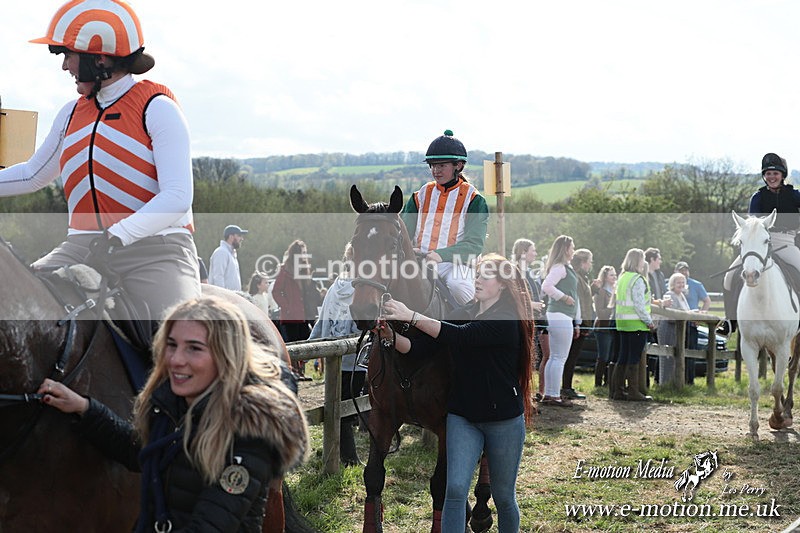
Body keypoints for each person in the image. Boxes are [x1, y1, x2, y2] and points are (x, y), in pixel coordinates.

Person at [0, 0, 200, 322]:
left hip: (155, 252)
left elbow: (177, 198)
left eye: (68, 55)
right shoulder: (69, 114)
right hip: (81, 248)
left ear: (100, 58)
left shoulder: (158, 107)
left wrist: (117, 235)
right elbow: (33, 175)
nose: (65, 66)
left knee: (179, 335)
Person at [37, 296, 310, 532]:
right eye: (171, 344)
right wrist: (85, 408)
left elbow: (209, 528)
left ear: (226, 355)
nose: (176, 359)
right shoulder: (176, 407)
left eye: (194, 348)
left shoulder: (249, 432)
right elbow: (143, 453)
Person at [379, 253, 533, 533]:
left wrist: (410, 316)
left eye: (485, 275)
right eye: (477, 274)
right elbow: (423, 347)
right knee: (455, 489)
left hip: (504, 421)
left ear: (501, 284)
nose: (477, 279)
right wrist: (393, 338)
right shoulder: (466, 310)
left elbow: (461, 337)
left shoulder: (506, 318)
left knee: (503, 497)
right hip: (463, 417)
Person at [401, 130, 489, 306]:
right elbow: (402, 232)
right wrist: (410, 250)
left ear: (458, 166)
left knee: (459, 286)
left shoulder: (474, 199)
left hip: (455, 266)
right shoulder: (420, 195)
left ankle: (475, 326)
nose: (436, 170)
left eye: (441, 165)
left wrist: (441, 255)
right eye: (432, 165)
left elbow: (474, 245)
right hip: (419, 263)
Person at [722, 152, 800, 333]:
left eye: (775, 173)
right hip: (759, 245)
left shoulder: (794, 195)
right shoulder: (758, 197)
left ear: (782, 175)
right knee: (729, 277)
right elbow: (751, 226)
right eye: (768, 174)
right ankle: (729, 322)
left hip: (786, 242)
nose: (771, 177)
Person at [308, 243, 366, 466]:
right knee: (345, 408)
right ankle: (347, 458)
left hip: (334, 356)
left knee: (338, 405)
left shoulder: (335, 287)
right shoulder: (364, 288)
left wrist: (312, 345)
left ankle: (335, 452)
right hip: (356, 358)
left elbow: (323, 316)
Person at [540, 235, 581, 407]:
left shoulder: (565, 267)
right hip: (560, 315)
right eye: (572, 247)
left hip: (561, 316)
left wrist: (577, 321)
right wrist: (563, 297)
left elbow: (576, 297)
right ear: (565, 249)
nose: (573, 250)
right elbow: (546, 286)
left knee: (554, 357)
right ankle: (554, 395)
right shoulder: (559, 267)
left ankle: (550, 393)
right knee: (558, 357)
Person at [273, 239, 321, 380]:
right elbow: (276, 291)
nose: (304, 255)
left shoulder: (305, 268)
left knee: (304, 341)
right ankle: (293, 373)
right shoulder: (286, 269)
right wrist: (286, 307)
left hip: (304, 314)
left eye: (305, 252)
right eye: (302, 252)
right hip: (290, 316)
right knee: (293, 345)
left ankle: (301, 372)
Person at [612, 248, 656, 402]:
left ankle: (617, 390)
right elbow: (639, 305)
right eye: (643, 259)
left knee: (622, 357)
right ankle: (633, 391)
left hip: (623, 323)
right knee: (634, 358)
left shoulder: (623, 277)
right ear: (638, 261)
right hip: (636, 324)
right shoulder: (638, 279)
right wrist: (649, 322)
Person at [511, 239, 549, 402]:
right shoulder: (514, 272)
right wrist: (531, 304)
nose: (536, 253)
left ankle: (526, 397)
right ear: (523, 252)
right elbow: (511, 296)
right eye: (533, 250)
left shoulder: (528, 272)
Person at [561, 248, 597, 400]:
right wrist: (579, 323)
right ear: (582, 262)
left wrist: (594, 289)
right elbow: (578, 303)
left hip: (582, 321)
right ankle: (566, 387)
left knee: (573, 355)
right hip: (577, 321)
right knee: (571, 355)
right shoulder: (576, 278)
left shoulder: (582, 278)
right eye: (589, 261)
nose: (590, 265)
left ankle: (567, 386)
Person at [656, 272, 690, 384]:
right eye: (678, 282)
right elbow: (671, 314)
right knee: (667, 357)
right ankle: (664, 383)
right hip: (668, 328)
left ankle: (674, 383)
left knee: (676, 356)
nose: (681, 284)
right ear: (672, 284)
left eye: (682, 282)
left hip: (677, 329)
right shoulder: (670, 295)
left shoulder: (682, 296)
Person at [674, 261, 710, 350]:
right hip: (675, 323)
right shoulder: (670, 284)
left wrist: (700, 316)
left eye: (685, 270)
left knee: (690, 349)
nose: (684, 272)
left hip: (691, 323)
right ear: (675, 272)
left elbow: (707, 301)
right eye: (681, 270)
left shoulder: (696, 284)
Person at [592, 265, 617, 388]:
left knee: (612, 356)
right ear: (605, 277)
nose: (614, 277)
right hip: (602, 328)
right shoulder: (601, 291)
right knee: (603, 356)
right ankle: (597, 383)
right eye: (611, 275)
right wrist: (612, 307)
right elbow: (600, 313)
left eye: (615, 275)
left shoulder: (615, 291)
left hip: (613, 328)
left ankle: (608, 382)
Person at [209, 225, 248, 291]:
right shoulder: (221, 252)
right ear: (231, 237)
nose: (241, 239)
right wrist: (223, 297)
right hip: (223, 298)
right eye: (239, 236)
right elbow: (218, 277)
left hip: (231, 298)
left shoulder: (231, 253)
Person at [247, 271, 283, 336]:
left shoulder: (265, 296)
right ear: (258, 285)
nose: (268, 284)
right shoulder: (255, 299)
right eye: (265, 282)